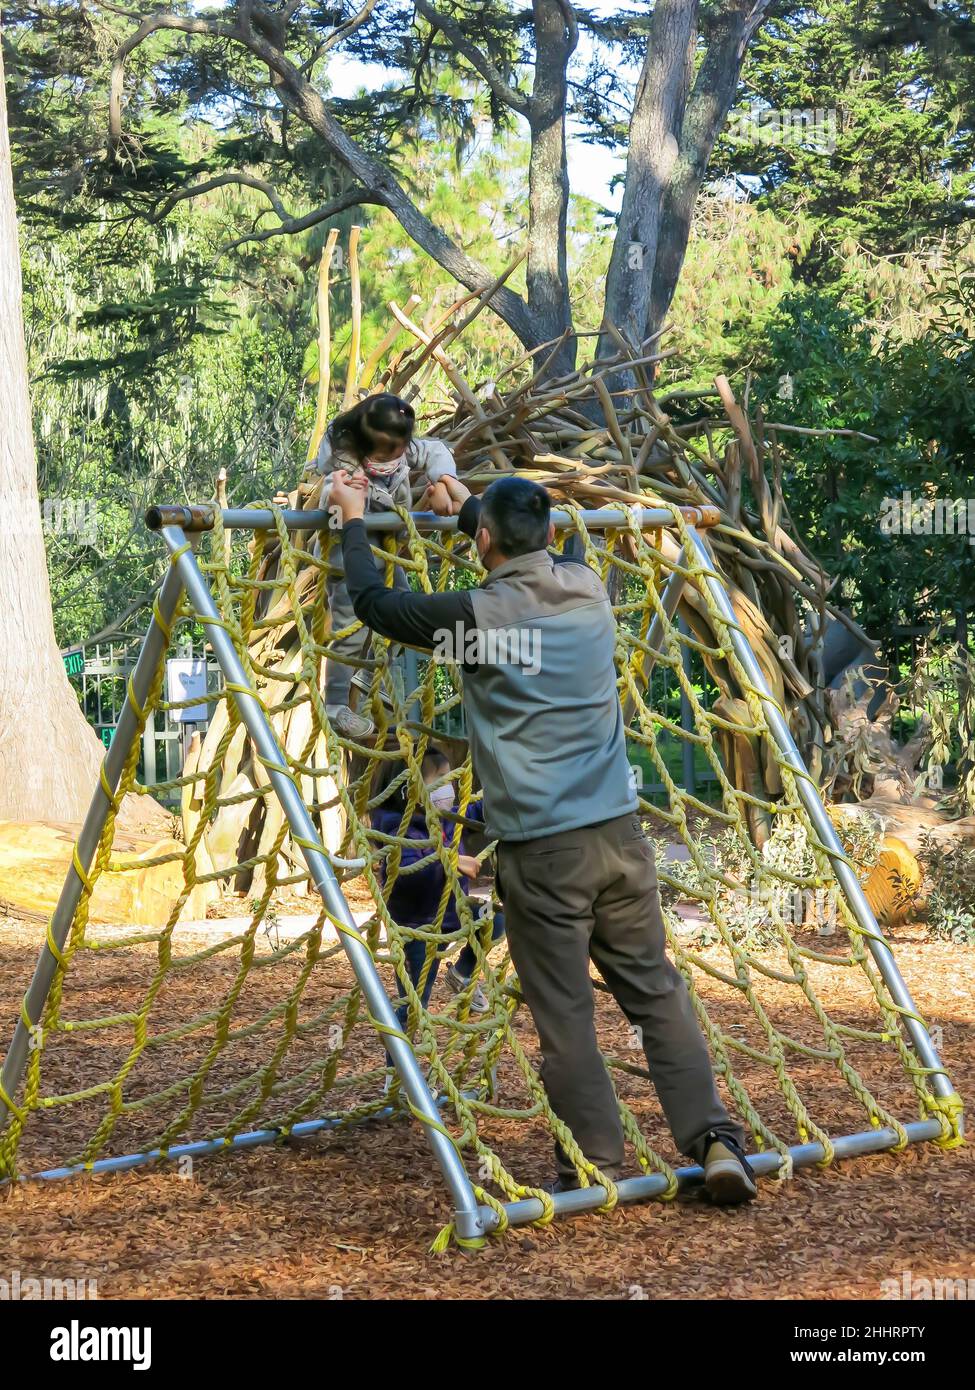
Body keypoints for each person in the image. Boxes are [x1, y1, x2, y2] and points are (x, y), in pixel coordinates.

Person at [330, 465, 757, 1204]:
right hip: (621, 838)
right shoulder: (588, 592)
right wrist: (467, 509)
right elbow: (522, 556)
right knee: (656, 993)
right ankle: (715, 1140)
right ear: (553, 536)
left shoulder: (474, 621)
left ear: (484, 541)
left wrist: (350, 516)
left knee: (564, 1014)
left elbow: (372, 602)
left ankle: (594, 1164)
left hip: (543, 849)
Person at [281, 394, 458, 740]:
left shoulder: (402, 451)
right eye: (385, 453)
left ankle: (365, 676)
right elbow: (333, 491)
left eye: (399, 450)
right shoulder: (344, 462)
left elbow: (436, 451)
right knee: (350, 629)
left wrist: (445, 482)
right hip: (349, 554)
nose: (395, 458)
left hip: (388, 553)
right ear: (365, 442)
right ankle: (334, 705)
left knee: (404, 616)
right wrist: (350, 493)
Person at [372, 747, 505, 1019]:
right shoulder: (397, 826)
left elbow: (474, 811)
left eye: (450, 778)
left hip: (452, 916)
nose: (449, 787)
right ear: (410, 789)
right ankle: (398, 1059)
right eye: (440, 779)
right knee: (414, 1003)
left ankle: (462, 973)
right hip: (418, 929)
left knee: (497, 918)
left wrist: (502, 793)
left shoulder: (445, 818)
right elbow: (407, 868)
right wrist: (450, 860)